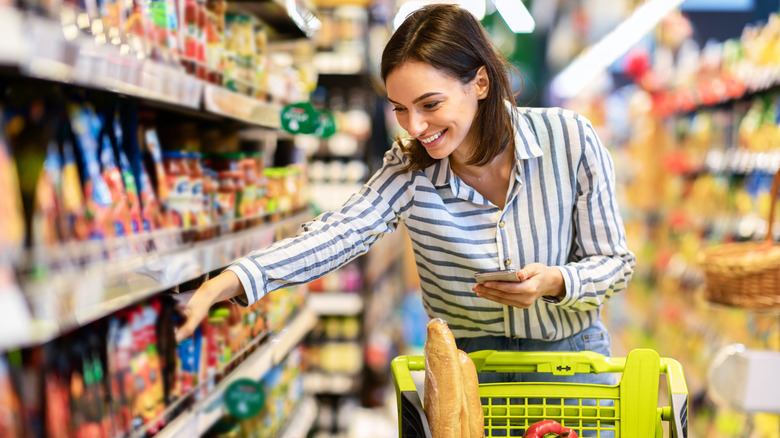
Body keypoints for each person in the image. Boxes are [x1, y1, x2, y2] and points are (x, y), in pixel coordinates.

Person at [175, 3, 634, 390]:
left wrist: (555, 282)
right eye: (400, 109)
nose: (415, 127)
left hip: (571, 366)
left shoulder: (569, 138)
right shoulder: (410, 167)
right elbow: (340, 232)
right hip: (465, 375)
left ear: (479, 83)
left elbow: (615, 262)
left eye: (430, 105)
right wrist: (229, 281)